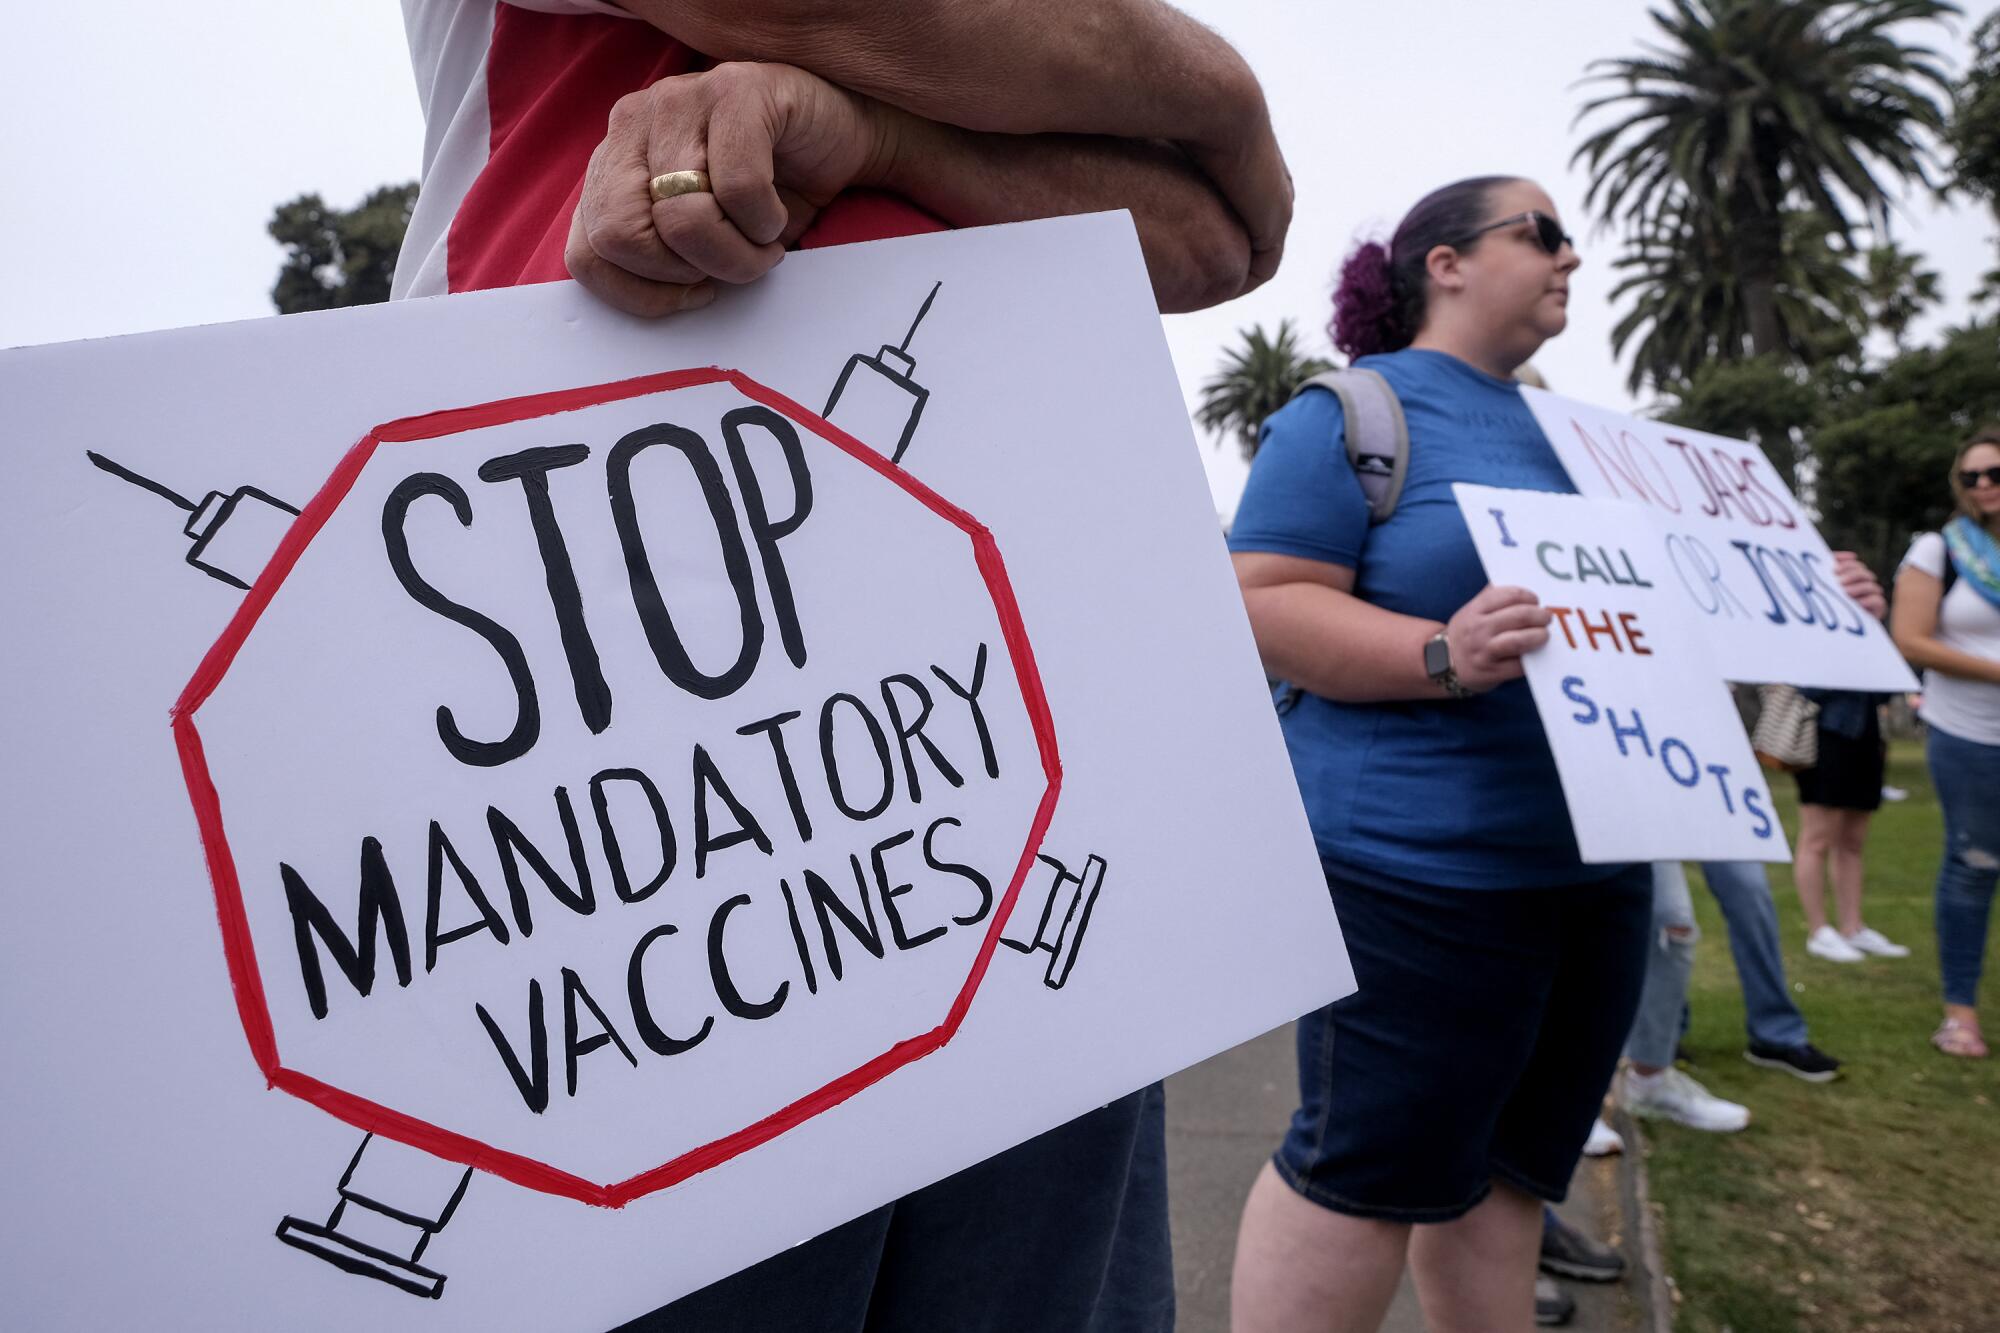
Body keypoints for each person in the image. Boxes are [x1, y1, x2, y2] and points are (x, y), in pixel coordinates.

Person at [391, 3, 1295, 1328]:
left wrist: (881, 134)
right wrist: (1207, 89)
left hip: (1007, 682)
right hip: (629, 677)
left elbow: (1220, 233)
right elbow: (1206, 144)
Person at [1225, 175, 1651, 1333]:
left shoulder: (1581, 437)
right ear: (1443, 263)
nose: (1571, 256)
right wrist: (1440, 651)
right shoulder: (1352, 414)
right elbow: (1259, 601)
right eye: (1543, 234)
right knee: (1360, 1173)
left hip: (1595, 871)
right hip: (1416, 873)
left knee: (1510, 1171)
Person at [1891, 427, 2000, 1060]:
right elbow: (1911, 639)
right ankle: (1961, 1010)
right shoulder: (1942, 550)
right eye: (1971, 477)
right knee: (1974, 865)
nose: (1984, 486)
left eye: (1995, 473)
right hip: (1971, 736)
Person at [1620, 863, 1754, 1131]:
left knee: (1673, 925)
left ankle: (1650, 1081)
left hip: (1646, 822)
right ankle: (1563, 1097)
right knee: (1573, 925)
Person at [1791, 690, 1906, 962]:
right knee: (1816, 839)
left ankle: (1852, 927)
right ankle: (1818, 931)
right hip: (1825, 734)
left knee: (1852, 841)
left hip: (1866, 734)